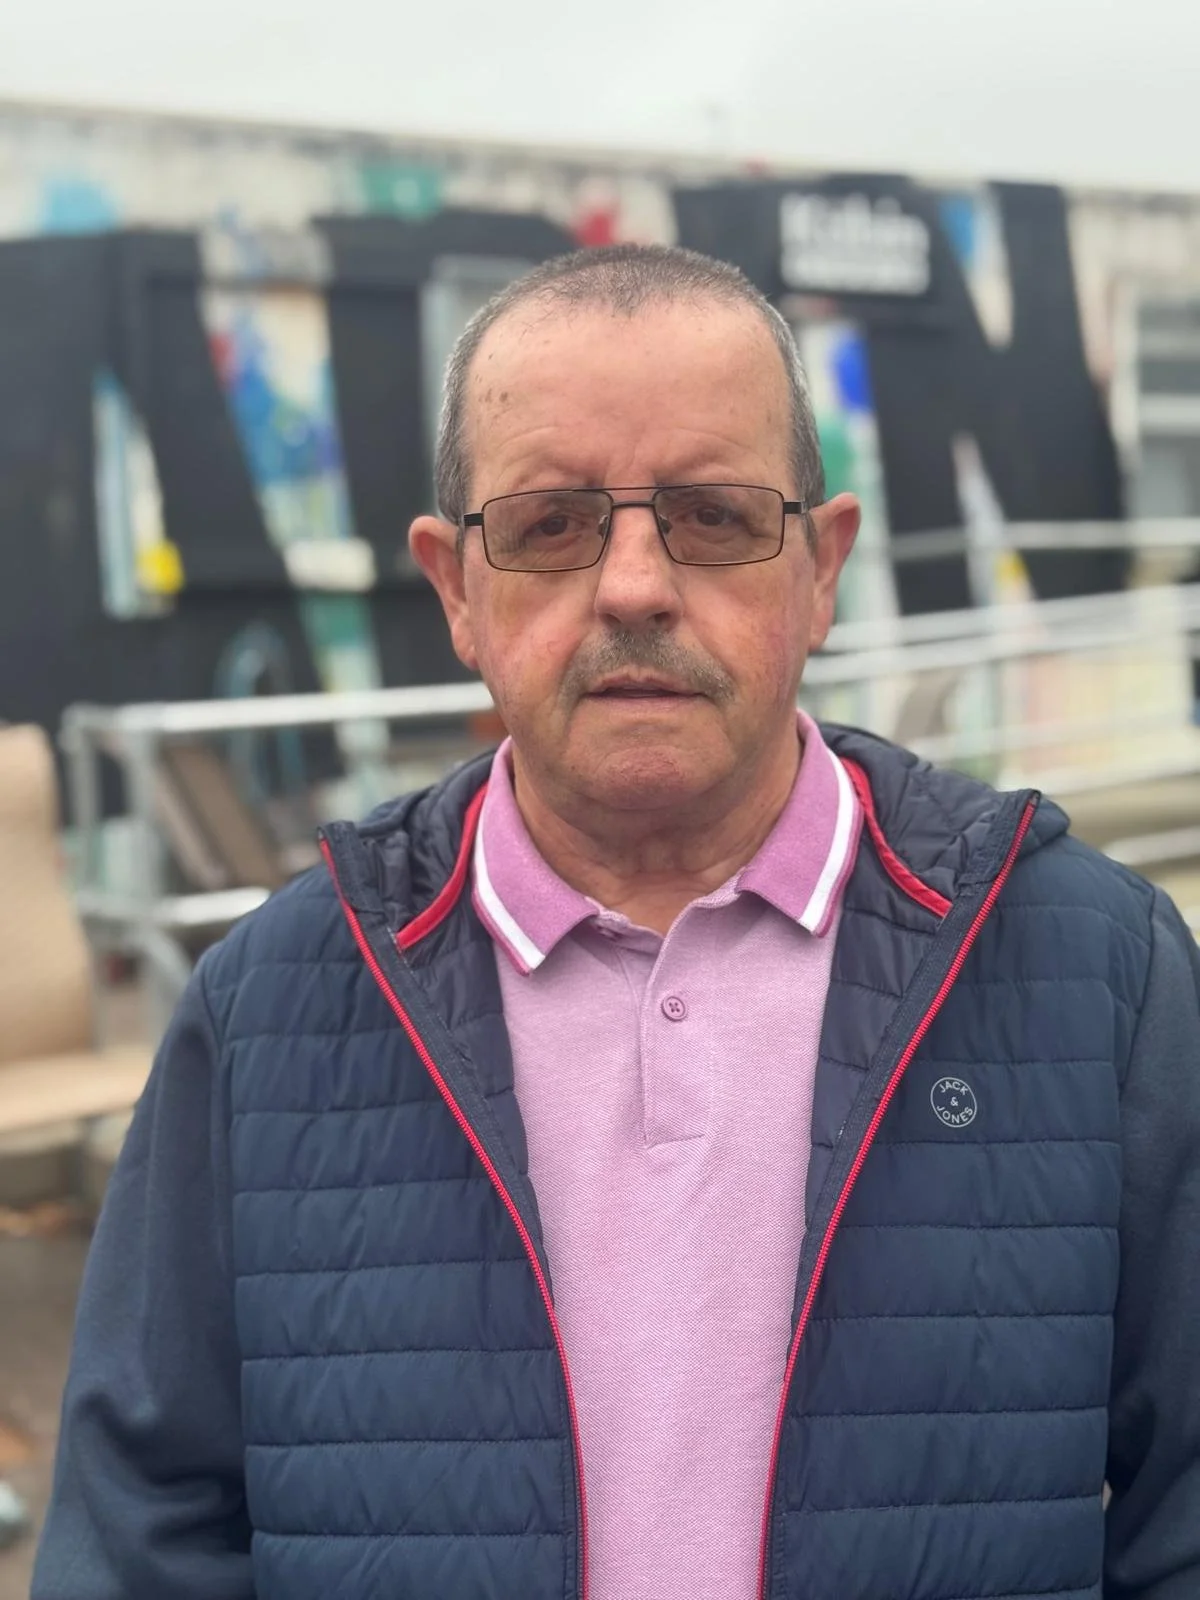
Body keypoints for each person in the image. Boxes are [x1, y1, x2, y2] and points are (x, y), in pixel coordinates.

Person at [33, 244, 1200, 1600]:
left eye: (712, 516)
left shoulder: (1093, 970)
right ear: (456, 590)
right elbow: (139, 1537)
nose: (635, 585)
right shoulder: (273, 1008)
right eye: (549, 525)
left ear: (822, 570)